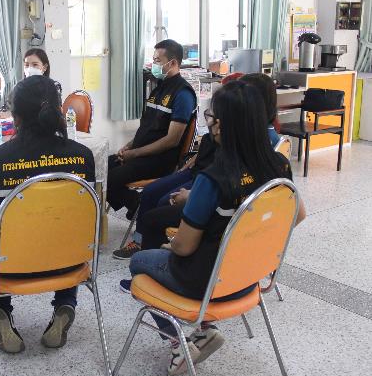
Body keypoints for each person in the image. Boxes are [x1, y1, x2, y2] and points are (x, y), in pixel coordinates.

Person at [119, 81, 306, 376]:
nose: (210, 124)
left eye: (211, 117)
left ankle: (180, 344)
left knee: (140, 261)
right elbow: (298, 215)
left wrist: (171, 246)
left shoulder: (213, 179)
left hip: (207, 282)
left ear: (221, 126)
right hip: (249, 277)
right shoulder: (279, 165)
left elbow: (184, 247)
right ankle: (203, 331)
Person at [0, 75, 96, 354]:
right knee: (65, 229)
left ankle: (0, 307)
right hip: (69, 262)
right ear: (58, 111)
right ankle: (65, 304)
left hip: (5, 266)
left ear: (16, 117)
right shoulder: (83, 156)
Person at [113, 72, 280, 260]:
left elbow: (183, 247)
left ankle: (151, 253)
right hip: (201, 174)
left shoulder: (247, 146)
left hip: (202, 256)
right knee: (151, 192)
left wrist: (192, 197)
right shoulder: (276, 159)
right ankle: (142, 242)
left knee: (159, 211)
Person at [106, 39, 197, 218]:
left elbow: (172, 140)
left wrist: (135, 153)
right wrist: (129, 146)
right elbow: (147, 127)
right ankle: (135, 203)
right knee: (99, 167)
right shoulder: (158, 89)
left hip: (159, 160)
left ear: (173, 63)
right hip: (141, 154)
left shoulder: (183, 94)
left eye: (157, 61)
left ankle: (139, 205)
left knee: (110, 178)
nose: (153, 65)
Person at [0, 48, 62, 118]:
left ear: (44, 67)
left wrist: (15, 113)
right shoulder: (19, 87)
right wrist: (5, 113)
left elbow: (55, 112)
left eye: (35, 65)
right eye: (27, 65)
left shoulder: (54, 86)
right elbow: (4, 108)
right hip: (21, 124)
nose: (30, 69)